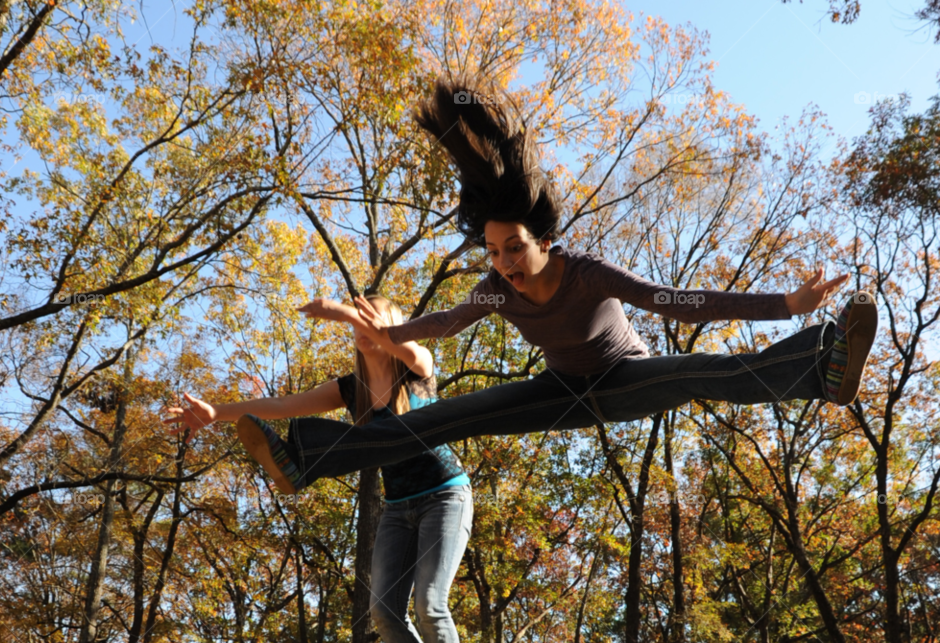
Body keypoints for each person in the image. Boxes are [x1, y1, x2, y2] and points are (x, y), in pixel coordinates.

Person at [236, 72, 879, 495]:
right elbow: (443, 324)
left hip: (626, 380)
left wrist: (787, 304)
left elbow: (678, 301)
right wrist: (380, 329)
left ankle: (820, 362)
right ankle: (306, 459)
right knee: (442, 419)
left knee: (697, 371)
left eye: (513, 248)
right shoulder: (495, 288)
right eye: (492, 252)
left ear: (542, 240)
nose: (505, 262)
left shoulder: (590, 273)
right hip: (560, 391)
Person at [164, 295, 476, 643]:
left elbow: (409, 349)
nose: (363, 328)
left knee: (429, 602)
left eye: (373, 321)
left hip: (445, 496)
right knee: (384, 610)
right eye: (357, 323)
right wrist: (217, 413)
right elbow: (283, 405)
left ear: (395, 329)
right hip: (397, 505)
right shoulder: (351, 389)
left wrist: (350, 312)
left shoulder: (417, 368)